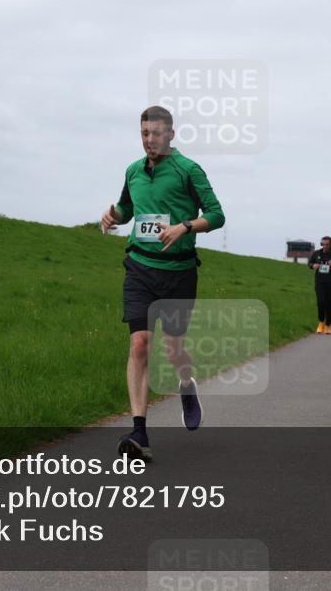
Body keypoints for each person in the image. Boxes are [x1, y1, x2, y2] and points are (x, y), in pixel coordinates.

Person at [100, 105, 225, 462]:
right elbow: (127, 208)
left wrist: (185, 226)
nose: (149, 140)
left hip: (178, 272)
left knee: (174, 350)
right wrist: (114, 216)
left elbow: (216, 214)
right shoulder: (133, 171)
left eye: (155, 134)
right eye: (144, 134)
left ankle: (187, 385)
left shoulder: (188, 170)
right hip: (139, 268)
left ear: (170, 134)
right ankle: (139, 432)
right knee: (140, 344)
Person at [308, 237, 331, 334]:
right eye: (323, 244)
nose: (325, 246)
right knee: (321, 302)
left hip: (330, 283)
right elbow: (310, 263)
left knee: (330, 304)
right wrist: (313, 266)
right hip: (319, 282)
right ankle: (321, 322)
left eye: (327, 244)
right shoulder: (316, 253)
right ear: (321, 244)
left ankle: (328, 324)